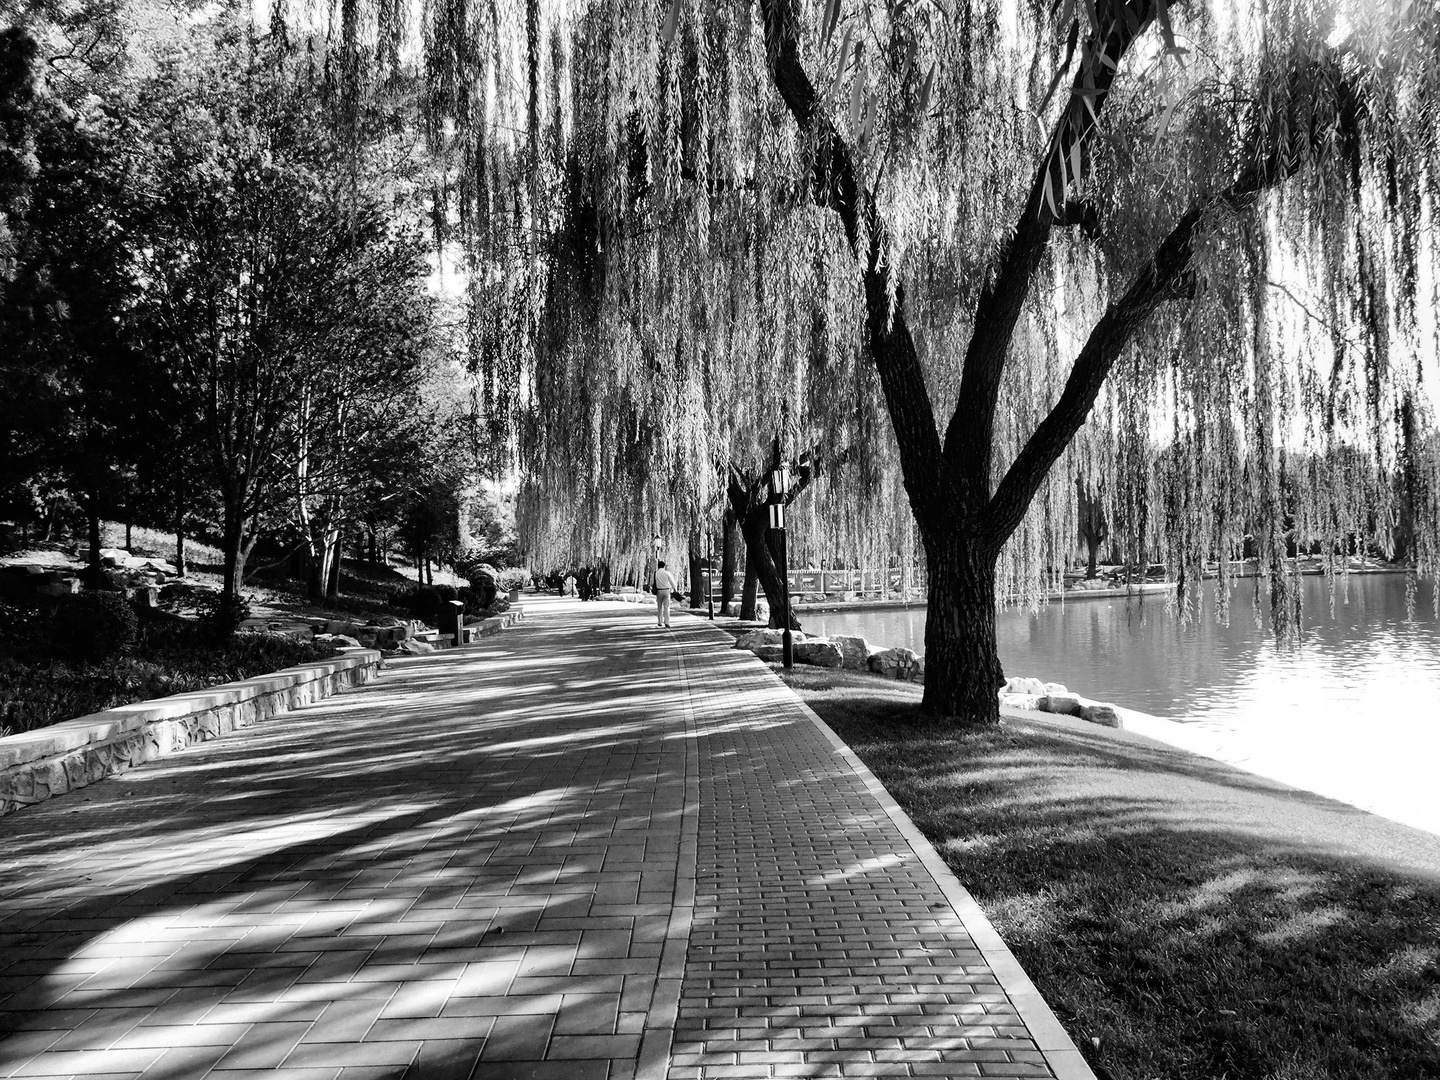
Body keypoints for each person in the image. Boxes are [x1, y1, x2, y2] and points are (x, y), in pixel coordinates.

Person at [653, 560, 677, 627]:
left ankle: (660, 622)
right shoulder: (667, 573)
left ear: (658, 566)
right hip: (666, 591)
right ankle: (667, 622)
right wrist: (675, 588)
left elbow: (654, 582)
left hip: (659, 591)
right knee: (667, 607)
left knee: (659, 607)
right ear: (664, 566)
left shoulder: (656, 573)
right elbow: (672, 581)